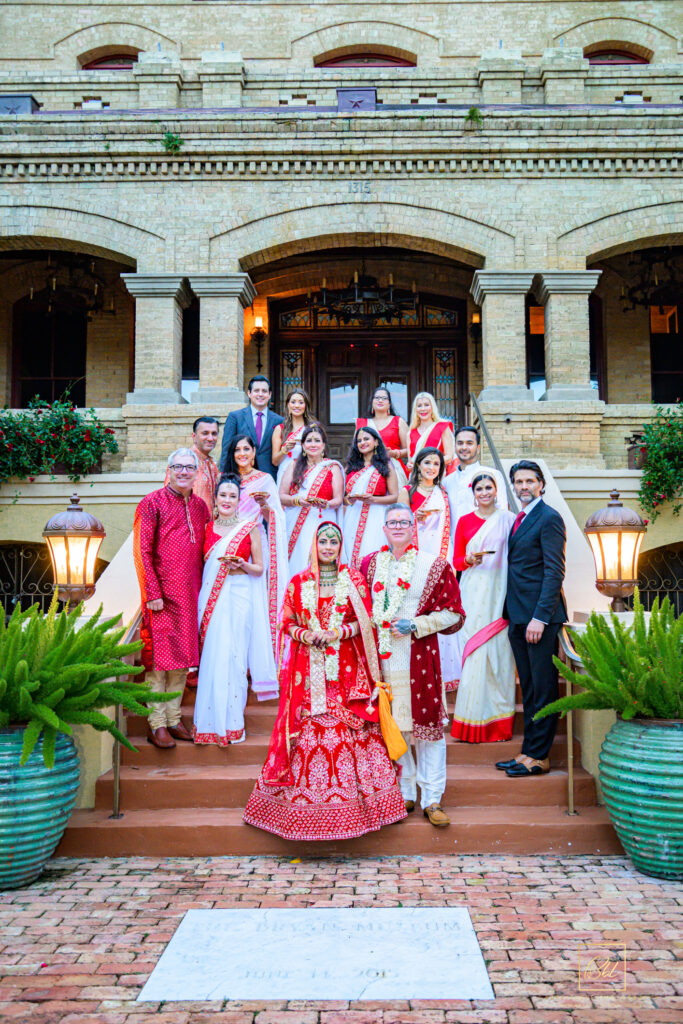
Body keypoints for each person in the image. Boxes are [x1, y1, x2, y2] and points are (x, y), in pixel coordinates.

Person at [243, 521, 407, 842]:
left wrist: (336, 632)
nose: (328, 547)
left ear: (340, 546)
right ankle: (302, 813)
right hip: (308, 674)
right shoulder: (298, 582)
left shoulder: (353, 580)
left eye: (334, 542)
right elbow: (286, 622)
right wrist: (306, 635)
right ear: (314, 546)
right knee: (309, 730)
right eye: (323, 542)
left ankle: (361, 811)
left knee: (351, 730)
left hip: (347, 672)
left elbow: (365, 624)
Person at [361, 504, 465, 827]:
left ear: (412, 527)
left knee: (428, 731)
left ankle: (432, 798)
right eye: (392, 522)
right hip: (382, 663)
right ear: (384, 529)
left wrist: (417, 624)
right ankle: (405, 791)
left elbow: (454, 614)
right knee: (395, 727)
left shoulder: (434, 565)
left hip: (419, 660)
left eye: (403, 522)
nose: (397, 527)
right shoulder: (369, 565)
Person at [133, 448, 210, 749]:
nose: (183, 472)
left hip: (190, 596)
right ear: (169, 470)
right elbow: (142, 552)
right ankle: (156, 723)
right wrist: (152, 593)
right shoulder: (151, 503)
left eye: (189, 467)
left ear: (196, 473)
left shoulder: (201, 507)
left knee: (181, 662)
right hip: (161, 597)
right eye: (178, 467)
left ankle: (174, 718)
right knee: (159, 663)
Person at [194, 474, 278, 747]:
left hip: (240, 595)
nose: (227, 500)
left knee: (235, 656)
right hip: (212, 597)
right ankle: (208, 724)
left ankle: (232, 724)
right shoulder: (206, 528)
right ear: (215, 498)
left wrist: (241, 564)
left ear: (239, 500)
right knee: (213, 656)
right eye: (223, 495)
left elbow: (260, 569)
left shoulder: (250, 527)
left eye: (232, 496)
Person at [497, 460, 567, 778]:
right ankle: (528, 751)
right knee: (528, 688)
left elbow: (554, 571)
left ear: (541, 484)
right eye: (519, 482)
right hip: (518, 615)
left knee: (543, 687)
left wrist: (540, 617)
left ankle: (540, 756)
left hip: (539, 618)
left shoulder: (549, 518)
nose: (523, 486)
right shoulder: (521, 518)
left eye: (529, 481)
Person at [451, 473, 516, 742]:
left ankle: (498, 723)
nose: (485, 492)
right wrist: (468, 559)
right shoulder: (465, 521)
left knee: (499, 654)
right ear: (474, 493)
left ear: (496, 490)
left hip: (500, 591)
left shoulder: (509, 520)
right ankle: (470, 720)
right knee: (475, 651)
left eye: (489, 487)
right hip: (473, 591)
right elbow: (456, 561)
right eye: (480, 488)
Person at [398, 447, 458, 690]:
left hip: (440, 554)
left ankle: (445, 671)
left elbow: (449, 528)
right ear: (418, 465)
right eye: (427, 463)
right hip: (415, 556)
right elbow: (399, 524)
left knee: (441, 607)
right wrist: (415, 516)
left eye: (436, 464)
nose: (431, 467)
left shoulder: (443, 493)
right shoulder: (407, 491)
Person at [224, 434, 288, 654]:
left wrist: (264, 505)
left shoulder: (265, 479)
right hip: (228, 541)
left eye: (246, 449)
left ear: (253, 453)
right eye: (237, 450)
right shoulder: (226, 478)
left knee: (254, 598)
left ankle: (257, 652)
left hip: (255, 543)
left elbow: (275, 518)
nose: (242, 454)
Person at [279, 423, 344, 579]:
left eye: (317, 440)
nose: (313, 444)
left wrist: (326, 504)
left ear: (324, 445)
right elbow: (281, 496)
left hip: (323, 522)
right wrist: (297, 501)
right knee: (298, 560)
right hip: (295, 523)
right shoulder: (293, 465)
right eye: (309, 441)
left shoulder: (332, 467)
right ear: (302, 445)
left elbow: (338, 499)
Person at [342, 426, 399, 568]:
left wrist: (373, 500)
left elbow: (394, 497)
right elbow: (343, 498)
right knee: (350, 551)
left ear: (376, 442)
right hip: (352, 516)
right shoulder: (351, 466)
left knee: (373, 552)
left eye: (366, 439)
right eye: (359, 440)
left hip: (376, 516)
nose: (362, 442)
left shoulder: (386, 465)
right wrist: (349, 499)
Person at [220, 375, 283, 479]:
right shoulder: (235, 417)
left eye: (264, 391)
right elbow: (227, 450)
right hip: (241, 476)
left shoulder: (279, 421)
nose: (260, 394)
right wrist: (225, 476)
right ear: (249, 393)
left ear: (270, 394)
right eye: (256, 390)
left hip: (270, 477)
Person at [443, 425, 508, 527]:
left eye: (469, 443)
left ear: (478, 448)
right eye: (460, 443)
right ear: (454, 447)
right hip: (455, 536)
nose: (464, 447)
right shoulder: (447, 481)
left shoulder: (493, 474)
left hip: (484, 535)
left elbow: (502, 511)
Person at [163, 416, 220, 514]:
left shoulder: (211, 464)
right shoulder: (183, 460)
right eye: (205, 433)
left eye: (214, 434)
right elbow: (170, 499)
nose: (210, 438)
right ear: (194, 436)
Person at [356, 385, 409, 486]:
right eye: (377, 398)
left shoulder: (398, 421)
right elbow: (355, 449)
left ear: (389, 404)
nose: (380, 400)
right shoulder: (362, 423)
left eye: (384, 398)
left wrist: (393, 453)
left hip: (393, 468)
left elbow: (410, 450)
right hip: (366, 468)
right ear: (372, 402)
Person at [271, 389, 316, 486]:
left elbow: (320, 455)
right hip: (285, 475)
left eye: (301, 402)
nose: (297, 405)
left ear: (306, 405)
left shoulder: (312, 428)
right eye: (293, 402)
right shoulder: (280, 429)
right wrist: (285, 449)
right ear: (288, 405)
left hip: (308, 474)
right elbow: (275, 461)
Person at [406, 392, 456, 475]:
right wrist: (409, 466)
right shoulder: (410, 433)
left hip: (436, 475)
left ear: (432, 407)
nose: (423, 409)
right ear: (415, 409)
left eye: (426, 405)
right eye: (419, 406)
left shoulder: (442, 427)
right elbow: (411, 461)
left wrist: (429, 464)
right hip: (417, 477)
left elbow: (449, 457)